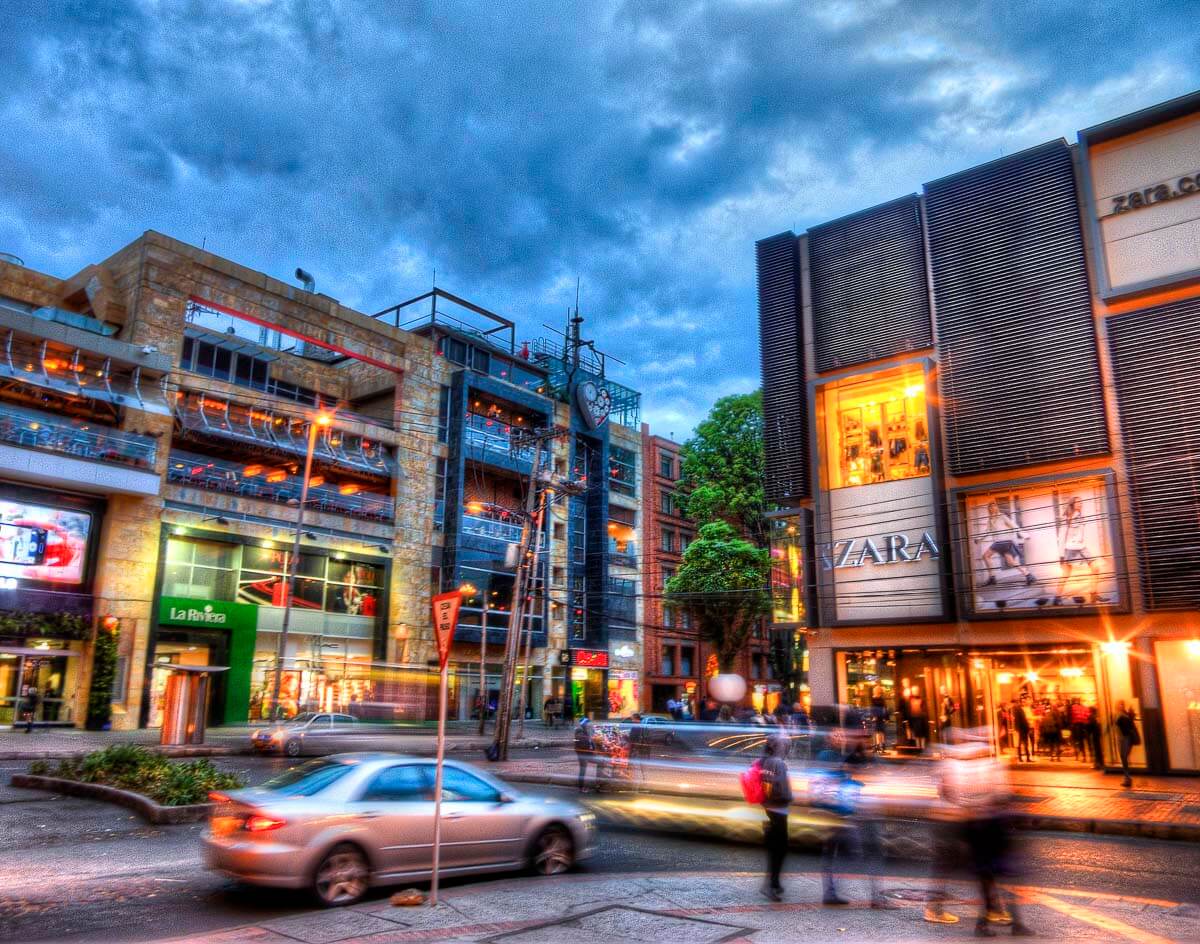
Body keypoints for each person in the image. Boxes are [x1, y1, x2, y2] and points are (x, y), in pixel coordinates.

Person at [759, 734, 793, 902]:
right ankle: (771, 885)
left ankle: (775, 882)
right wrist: (790, 798)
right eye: (786, 746)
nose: (788, 749)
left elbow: (767, 786)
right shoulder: (779, 763)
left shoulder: (766, 761)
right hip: (779, 810)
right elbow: (783, 791)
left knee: (776, 849)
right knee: (779, 850)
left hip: (771, 808)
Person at [1114, 701, 1140, 788]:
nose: (1120, 706)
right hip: (1123, 739)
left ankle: (1127, 778)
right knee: (1124, 757)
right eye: (1119, 704)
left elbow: (1126, 726)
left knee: (1124, 757)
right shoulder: (1121, 714)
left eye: (1122, 704)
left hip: (1125, 739)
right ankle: (1127, 778)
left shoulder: (1123, 715)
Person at [574, 716, 596, 793]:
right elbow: (583, 742)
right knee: (582, 770)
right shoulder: (579, 730)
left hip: (587, 753)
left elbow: (590, 741)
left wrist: (593, 748)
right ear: (584, 723)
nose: (589, 724)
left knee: (601, 762)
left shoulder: (585, 730)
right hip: (582, 753)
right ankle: (581, 787)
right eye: (587, 723)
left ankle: (598, 783)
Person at [1012, 699, 1032, 763]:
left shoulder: (1013, 710)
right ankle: (1027, 758)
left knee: (1019, 744)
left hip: (1018, 729)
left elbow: (1015, 721)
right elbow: (1024, 720)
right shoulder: (1019, 709)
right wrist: (1028, 728)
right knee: (1025, 743)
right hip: (1023, 729)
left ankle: (1020, 758)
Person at [1087, 705, 1104, 771]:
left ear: (1091, 710)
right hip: (1097, 734)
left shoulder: (1091, 717)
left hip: (1093, 735)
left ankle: (1097, 764)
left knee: (1096, 750)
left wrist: (1087, 729)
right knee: (1099, 750)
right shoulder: (1097, 717)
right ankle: (1101, 763)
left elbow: (1089, 726)